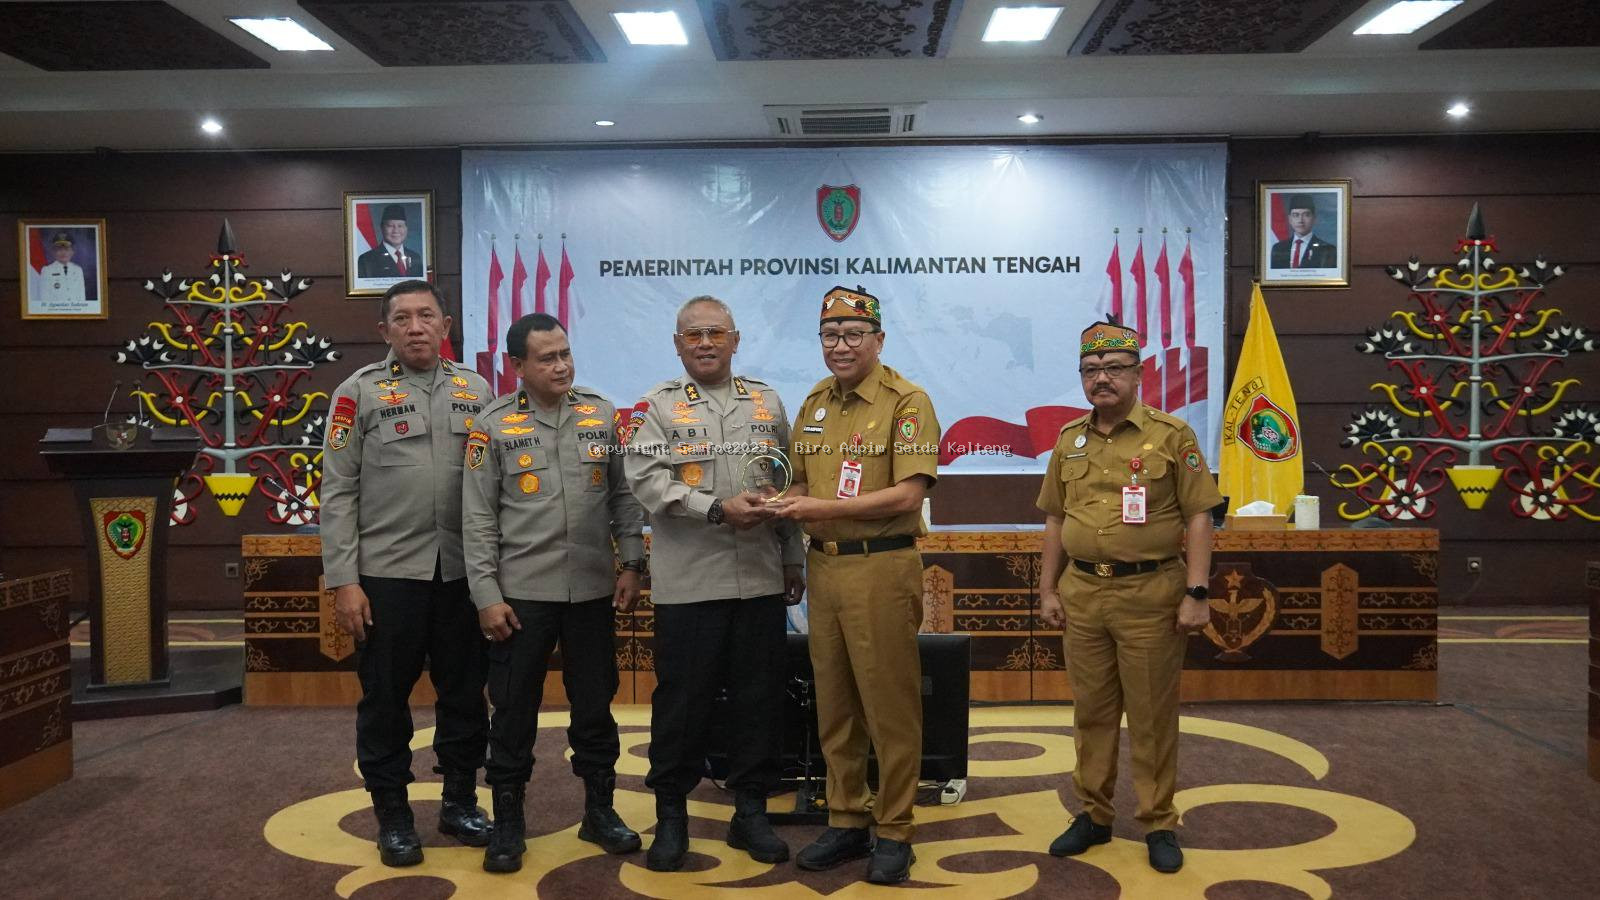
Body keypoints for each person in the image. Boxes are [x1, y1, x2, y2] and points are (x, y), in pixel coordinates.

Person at [622, 295, 805, 873]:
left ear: (735, 340)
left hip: (759, 580)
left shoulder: (767, 402)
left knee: (759, 701)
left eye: (716, 333)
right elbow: (647, 482)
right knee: (683, 705)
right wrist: (716, 508)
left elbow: (786, 483)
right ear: (677, 345)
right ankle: (671, 816)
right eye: (693, 335)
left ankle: (750, 811)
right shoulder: (656, 407)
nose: (705, 343)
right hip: (690, 585)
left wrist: (793, 558)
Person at [1035, 316, 1223, 874]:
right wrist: (1047, 588)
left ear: (1139, 374)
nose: (1102, 378)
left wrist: (1197, 591)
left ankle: (1158, 820)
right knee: (1091, 712)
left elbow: (1199, 516)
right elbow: (1054, 519)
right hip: (1083, 594)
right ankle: (1093, 814)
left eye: (1114, 368)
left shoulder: (1171, 435)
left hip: (1150, 595)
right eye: (1091, 369)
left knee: (1150, 714)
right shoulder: (1068, 439)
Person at [462, 312, 647, 873]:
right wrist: (486, 595)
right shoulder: (492, 426)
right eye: (547, 358)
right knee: (513, 709)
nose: (562, 365)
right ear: (518, 366)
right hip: (521, 596)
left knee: (595, 705)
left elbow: (623, 498)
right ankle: (508, 822)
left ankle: (600, 812)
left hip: (591, 590)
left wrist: (632, 563)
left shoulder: (602, 414)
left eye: (565, 353)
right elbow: (478, 519)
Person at [771, 284, 940, 885]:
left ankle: (894, 828)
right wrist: (773, 502)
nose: (840, 346)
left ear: (879, 339)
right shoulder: (815, 401)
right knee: (835, 702)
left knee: (888, 705)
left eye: (852, 334)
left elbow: (908, 494)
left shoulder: (907, 402)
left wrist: (815, 509)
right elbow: (799, 485)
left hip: (881, 568)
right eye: (829, 335)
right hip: (825, 566)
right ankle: (846, 818)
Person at [321, 279, 493, 867]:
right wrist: (344, 580)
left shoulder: (477, 390)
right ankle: (392, 813)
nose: (415, 327)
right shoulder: (357, 393)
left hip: (462, 574)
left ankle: (460, 801)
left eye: (426, 316)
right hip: (387, 576)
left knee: (465, 694)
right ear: (384, 330)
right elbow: (337, 491)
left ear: (446, 326)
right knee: (385, 700)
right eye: (402, 318)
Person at [1269, 193, 1336, 269]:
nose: (1300, 220)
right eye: (1296, 215)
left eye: (1306, 215)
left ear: (1314, 218)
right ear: (1290, 219)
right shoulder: (1278, 248)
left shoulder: (1328, 250)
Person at [358, 204, 422, 278]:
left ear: (406, 228)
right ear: (382, 228)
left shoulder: (415, 257)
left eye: (400, 226)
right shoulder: (366, 260)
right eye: (390, 226)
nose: (396, 231)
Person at [35, 231, 86, 307]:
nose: (63, 253)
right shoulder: (47, 271)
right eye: (59, 249)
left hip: (75, 310)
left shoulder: (78, 270)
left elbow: (82, 297)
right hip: (54, 311)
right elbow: (44, 298)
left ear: (72, 252)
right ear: (54, 252)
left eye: (66, 249)